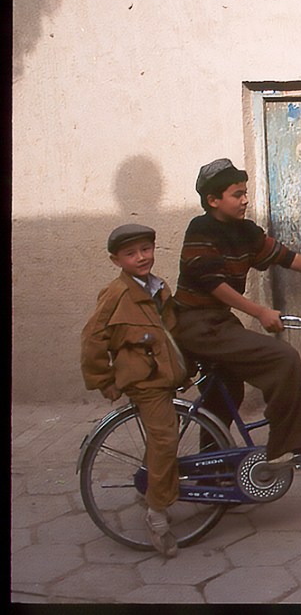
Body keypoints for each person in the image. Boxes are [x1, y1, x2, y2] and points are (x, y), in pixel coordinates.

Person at [173, 158, 301, 470]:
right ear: (213, 200)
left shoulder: (245, 232)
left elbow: (285, 256)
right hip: (195, 323)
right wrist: (260, 312)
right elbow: (213, 284)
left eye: (245, 192)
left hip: (217, 322)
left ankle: (209, 470)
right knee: (282, 358)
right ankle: (284, 449)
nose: (245, 200)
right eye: (236, 194)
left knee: (225, 394)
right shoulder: (201, 230)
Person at [81, 224, 189, 557]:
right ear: (116, 261)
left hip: (164, 376)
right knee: (165, 440)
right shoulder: (116, 293)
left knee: (161, 437)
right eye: (131, 253)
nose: (141, 257)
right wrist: (104, 379)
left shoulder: (158, 287)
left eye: (146, 249)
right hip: (144, 382)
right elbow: (92, 340)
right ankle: (157, 516)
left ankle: (149, 488)